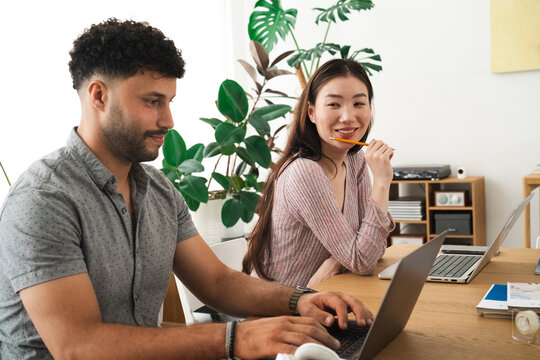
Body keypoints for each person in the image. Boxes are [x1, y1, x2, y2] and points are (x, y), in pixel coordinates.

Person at [0, 19, 374, 359]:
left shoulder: (158, 190)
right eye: (152, 102)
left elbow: (216, 282)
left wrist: (300, 301)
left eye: (169, 101)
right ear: (99, 96)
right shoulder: (43, 200)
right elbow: (78, 346)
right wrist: (237, 339)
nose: (168, 120)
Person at [243, 59, 395, 288]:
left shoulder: (355, 161)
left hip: (323, 297)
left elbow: (373, 249)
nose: (347, 117)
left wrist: (335, 262)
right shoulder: (305, 172)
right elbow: (363, 260)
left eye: (359, 104)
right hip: (278, 312)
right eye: (334, 105)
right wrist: (382, 181)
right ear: (311, 113)